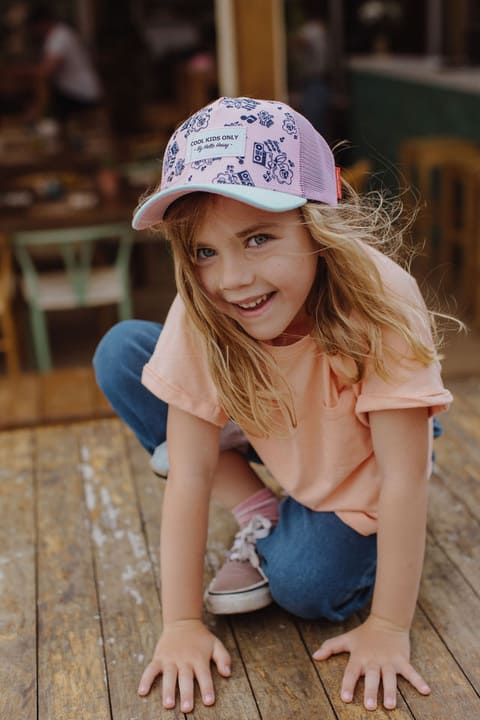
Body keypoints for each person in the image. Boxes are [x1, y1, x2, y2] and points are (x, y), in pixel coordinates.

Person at [93, 96, 453, 713]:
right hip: (277, 419)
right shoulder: (209, 307)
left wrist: (389, 629)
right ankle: (258, 503)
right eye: (205, 252)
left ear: (318, 221)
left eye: (257, 238)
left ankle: (358, 461)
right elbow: (189, 478)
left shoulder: (381, 302)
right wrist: (180, 622)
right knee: (125, 352)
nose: (231, 279)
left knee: (304, 585)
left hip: (362, 466)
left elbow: (402, 479)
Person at [23, 5, 103, 122]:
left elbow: (48, 70)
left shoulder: (59, 37)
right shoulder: (60, 34)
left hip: (80, 93)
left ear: (42, 23)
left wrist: (24, 73)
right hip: (75, 92)